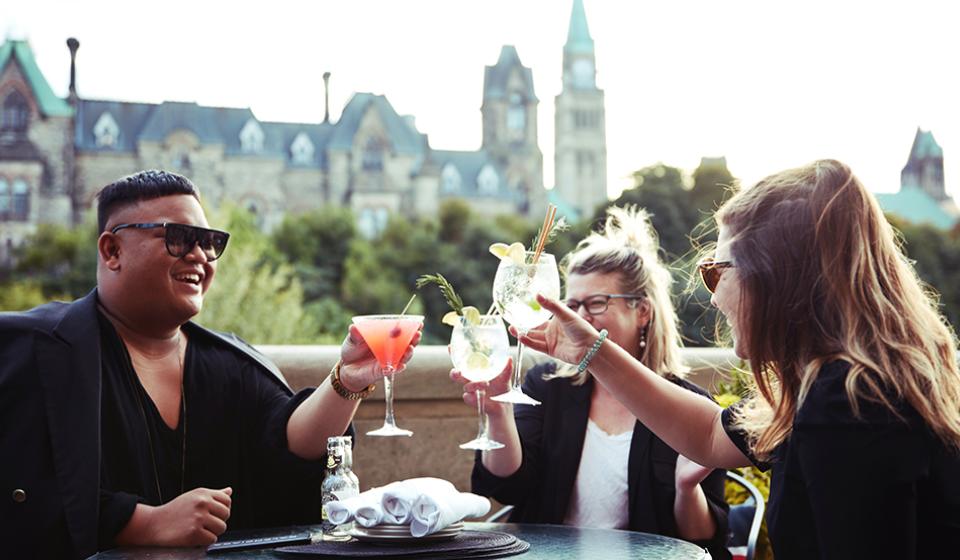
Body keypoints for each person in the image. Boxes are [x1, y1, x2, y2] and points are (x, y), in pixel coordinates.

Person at [520, 160, 960, 559]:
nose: (713, 298)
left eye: (716, 270)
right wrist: (593, 353)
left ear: (776, 277)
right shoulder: (842, 382)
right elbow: (711, 433)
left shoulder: (850, 405)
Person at [0, 170, 420, 559]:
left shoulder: (230, 362)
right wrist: (140, 521)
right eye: (180, 238)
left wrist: (347, 380)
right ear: (112, 250)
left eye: (210, 242)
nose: (201, 256)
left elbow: (293, 447)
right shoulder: (28, 350)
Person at [454, 206, 730, 559]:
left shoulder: (685, 405)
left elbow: (706, 540)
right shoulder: (546, 385)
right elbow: (507, 488)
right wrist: (496, 413)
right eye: (571, 305)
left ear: (642, 311)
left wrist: (686, 487)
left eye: (596, 303)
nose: (578, 319)